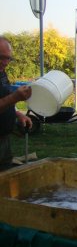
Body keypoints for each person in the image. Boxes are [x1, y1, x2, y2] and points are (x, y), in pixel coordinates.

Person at [0, 36, 32, 171]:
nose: (5, 62)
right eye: (1, 57)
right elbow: (9, 99)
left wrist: (17, 114)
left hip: (4, 140)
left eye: (8, 58)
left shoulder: (2, 73)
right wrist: (15, 97)